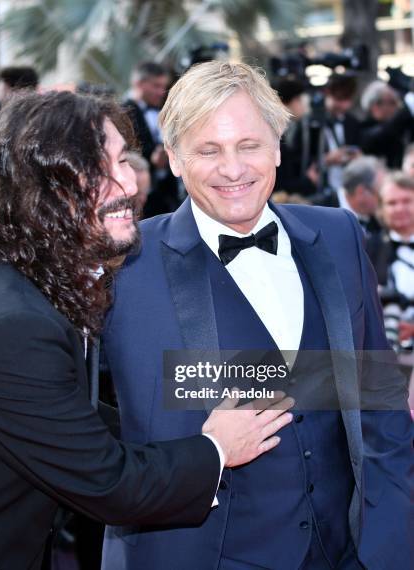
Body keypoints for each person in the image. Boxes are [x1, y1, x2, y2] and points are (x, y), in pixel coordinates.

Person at [0, 92, 292, 570]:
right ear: (43, 194)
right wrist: (214, 446)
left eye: (124, 160)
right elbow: (104, 478)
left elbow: (370, 379)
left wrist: (258, 398)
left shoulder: (33, 284)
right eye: (101, 169)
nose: (127, 182)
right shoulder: (24, 310)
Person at [96, 62, 409, 569]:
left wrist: (395, 542)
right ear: (173, 158)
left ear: (279, 146)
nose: (234, 169)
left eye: (249, 145)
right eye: (208, 150)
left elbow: (378, 402)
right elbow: (68, 421)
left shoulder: (338, 235)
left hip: (348, 550)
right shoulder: (122, 264)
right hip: (199, 555)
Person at [123, 61, 180, 216]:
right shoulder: (122, 113)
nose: (161, 91)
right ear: (139, 84)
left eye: (163, 86)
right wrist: (152, 161)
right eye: (156, 86)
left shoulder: (164, 108)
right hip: (145, 200)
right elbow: (126, 156)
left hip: (170, 193)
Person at [366, 171, 414, 350]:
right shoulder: (367, 247)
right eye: (392, 203)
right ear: (381, 209)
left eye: (407, 201)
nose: (400, 208)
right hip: (382, 348)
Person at [330, 155, 385, 238]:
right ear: (361, 191)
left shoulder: (381, 222)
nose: (385, 199)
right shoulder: (316, 210)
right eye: (381, 193)